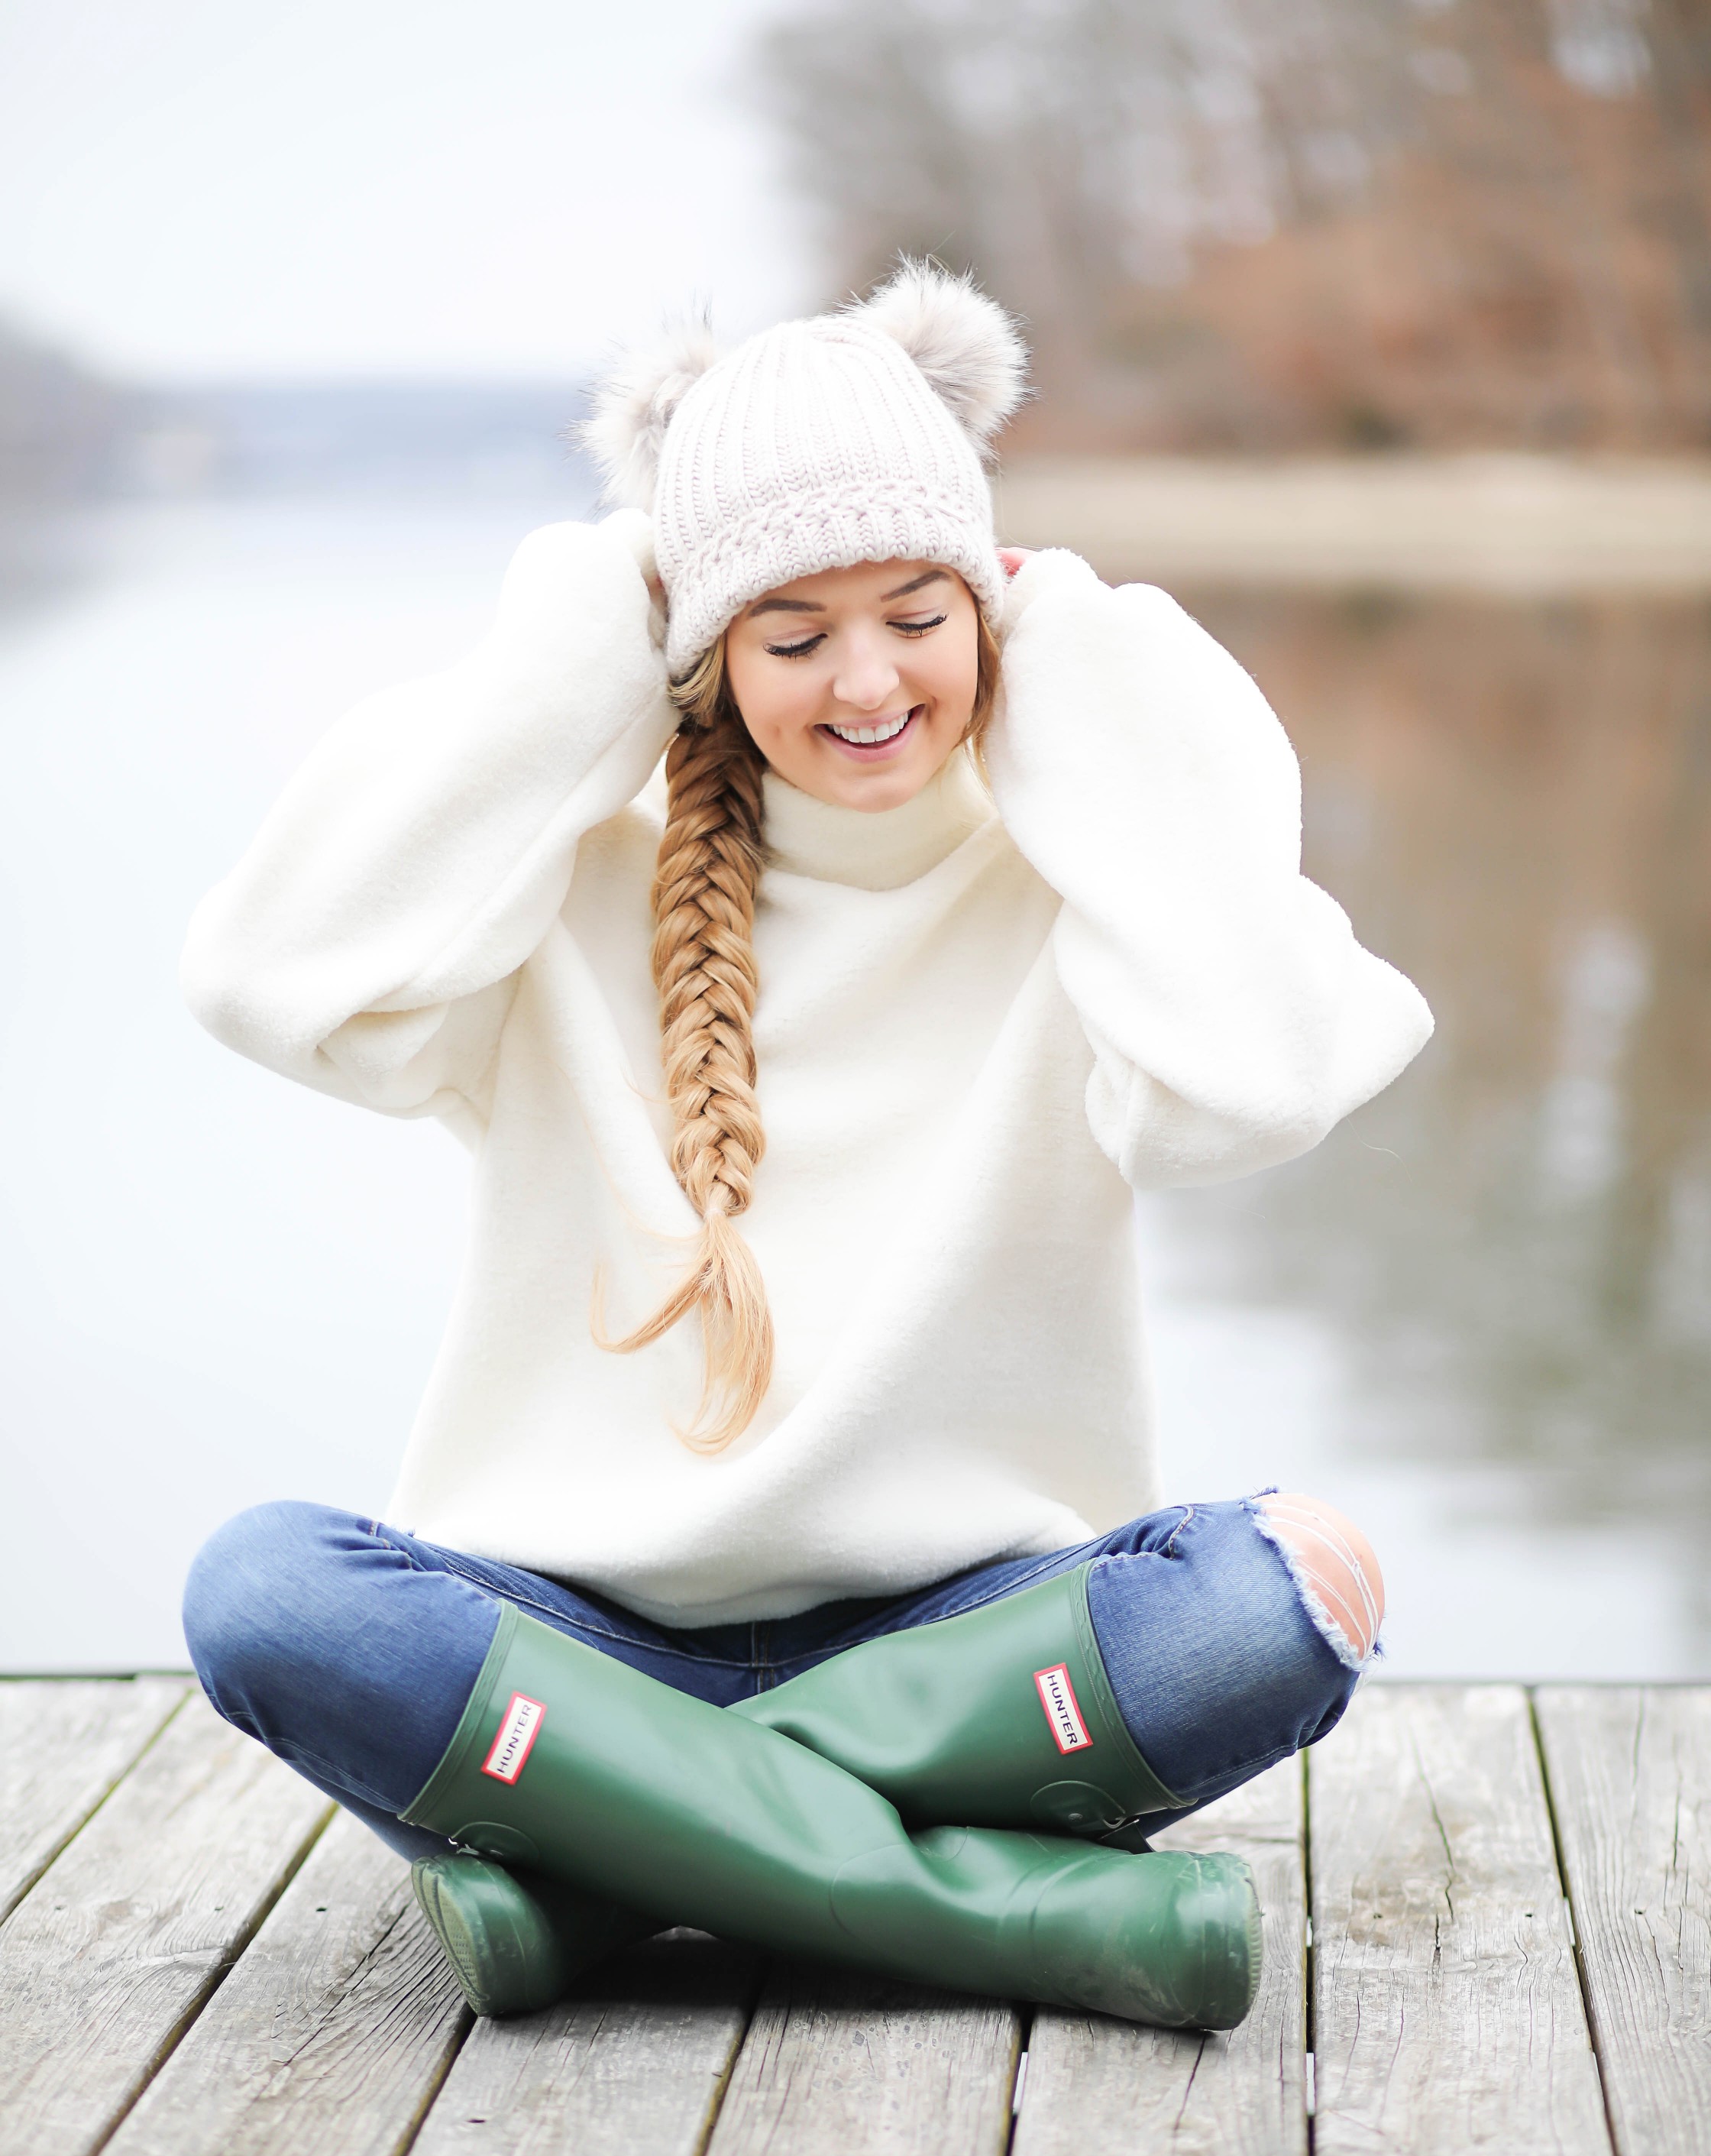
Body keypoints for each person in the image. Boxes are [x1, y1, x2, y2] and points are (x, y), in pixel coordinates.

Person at [178, 266, 1431, 2032]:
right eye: (789, 634)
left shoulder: (1082, 885)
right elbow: (265, 981)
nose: (866, 682)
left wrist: (1089, 665)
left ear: (988, 604)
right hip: (572, 1638)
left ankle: (604, 1881)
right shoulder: (555, 878)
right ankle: (984, 1908)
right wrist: (579, 623)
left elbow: (1263, 1080)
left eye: (918, 612)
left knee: (1285, 1590)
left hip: (968, 1647)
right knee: (266, 1591)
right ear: (695, 652)